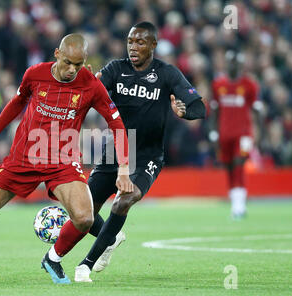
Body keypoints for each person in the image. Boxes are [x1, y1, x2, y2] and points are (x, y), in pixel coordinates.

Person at [0, 33, 134, 285]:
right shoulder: (35, 74)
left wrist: (123, 167)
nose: (72, 70)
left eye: (78, 65)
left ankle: (52, 258)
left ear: (85, 61)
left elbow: (117, 124)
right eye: (67, 62)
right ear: (57, 54)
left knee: (85, 218)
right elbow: (16, 102)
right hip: (24, 157)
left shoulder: (90, 85)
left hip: (62, 161)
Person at [74, 22, 206, 282]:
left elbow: (199, 107)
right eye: (130, 42)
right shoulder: (116, 69)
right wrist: (85, 82)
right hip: (116, 151)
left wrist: (185, 112)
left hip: (148, 155)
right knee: (83, 210)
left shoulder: (167, 74)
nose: (133, 47)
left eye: (140, 42)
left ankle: (85, 265)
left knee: (125, 198)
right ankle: (110, 238)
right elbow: (90, 92)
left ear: (153, 45)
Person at [209, 50, 261, 220]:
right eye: (230, 62)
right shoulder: (218, 84)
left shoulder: (249, 84)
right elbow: (215, 111)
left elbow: (256, 110)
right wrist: (214, 133)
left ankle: (239, 206)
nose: (233, 66)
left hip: (244, 134)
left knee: (239, 163)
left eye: (236, 63)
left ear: (240, 65)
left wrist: (258, 133)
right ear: (226, 64)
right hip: (225, 134)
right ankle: (236, 203)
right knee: (229, 166)